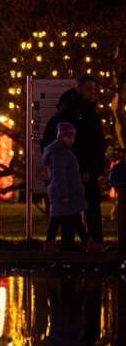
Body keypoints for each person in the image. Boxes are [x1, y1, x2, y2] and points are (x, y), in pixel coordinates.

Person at [52, 76, 108, 251]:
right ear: (79, 88)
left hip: (87, 165)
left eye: (94, 89)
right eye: (89, 88)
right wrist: (83, 167)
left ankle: (85, 241)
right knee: (84, 203)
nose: (93, 92)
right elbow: (78, 143)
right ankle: (85, 242)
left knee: (87, 203)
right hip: (80, 166)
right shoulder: (72, 110)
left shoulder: (86, 109)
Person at [43, 122, 88, 250]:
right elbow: (59, 174)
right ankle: (89, 243)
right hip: (64, 193)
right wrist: (64, 194)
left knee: (60, 219)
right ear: (63, 137)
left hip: (64, 192)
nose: (72, 140)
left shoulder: (61, 150)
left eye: (73, 137)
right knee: (71, 218)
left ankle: (50, 244)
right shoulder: (60, 152)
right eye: (70, 137)